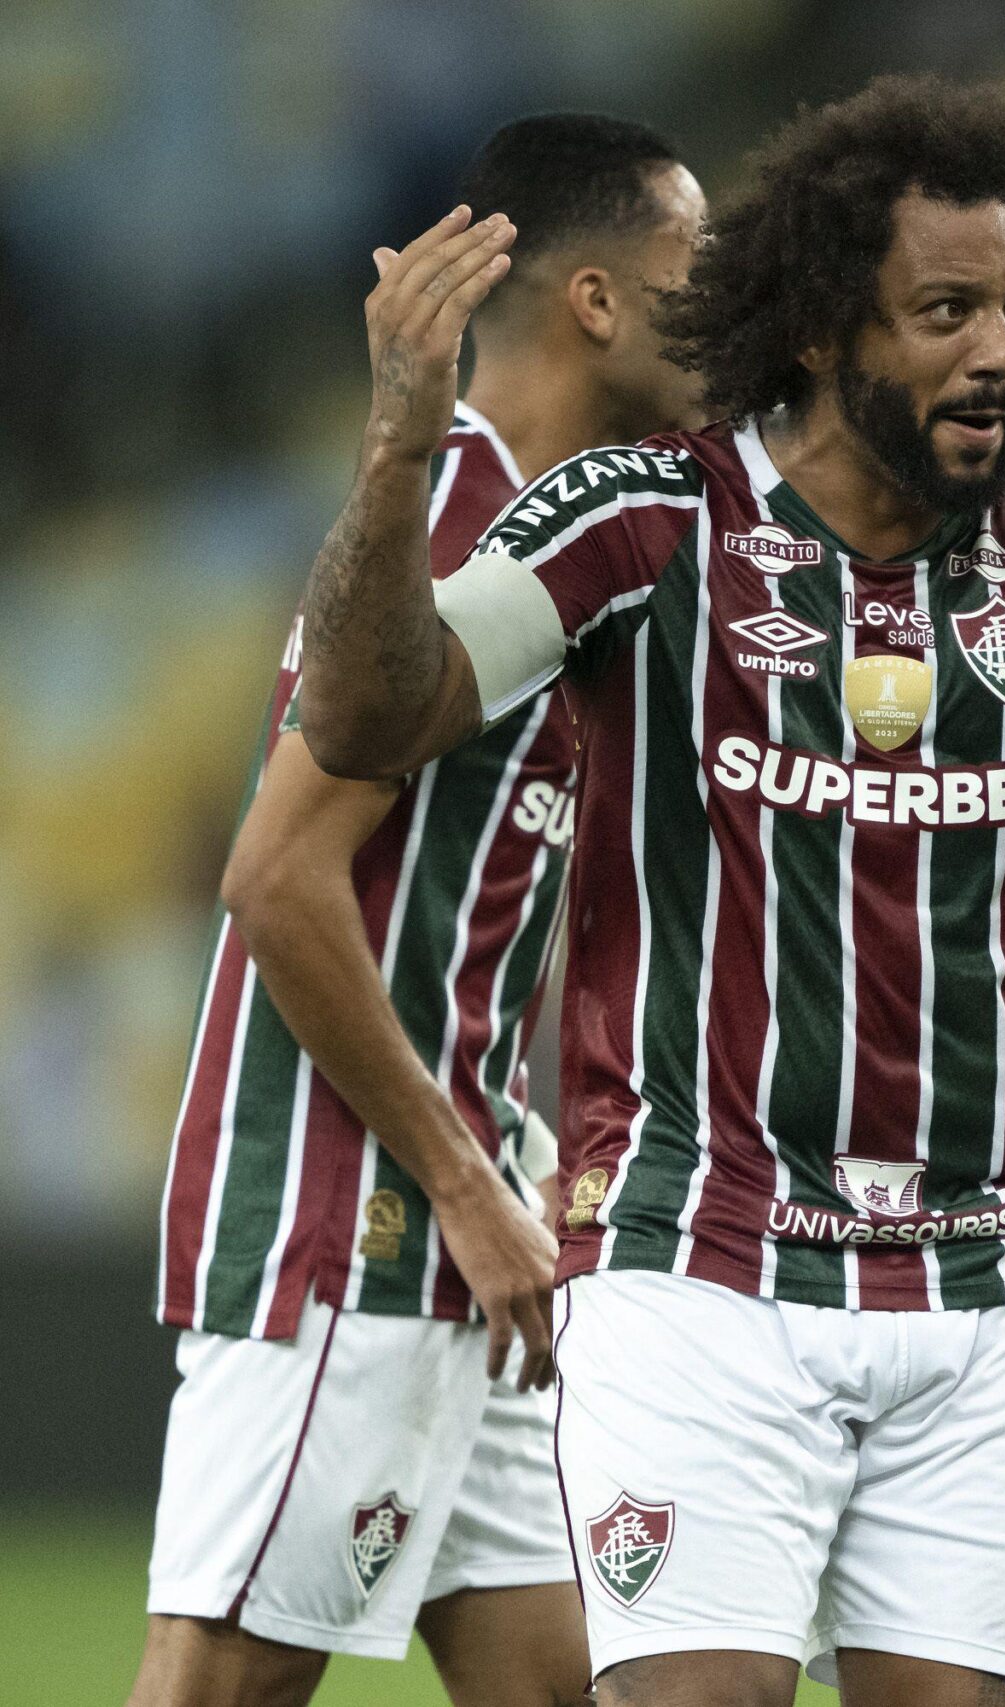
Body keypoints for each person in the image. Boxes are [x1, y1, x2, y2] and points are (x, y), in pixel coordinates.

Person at [289, 74, 1005, 1707]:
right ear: (834, 326)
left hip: (992, 1278)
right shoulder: (647, 523)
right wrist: (401, 446)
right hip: (701, 1264)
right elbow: (359, 714)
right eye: (949, 309)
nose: (1002, 351)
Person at [135, 114, 706, 1707]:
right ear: (595, 299)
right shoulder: (460, 513)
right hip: (357, 1211)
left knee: (568, 1681)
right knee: (220, 1688)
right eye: (692, 271)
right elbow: (276, 879)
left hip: (471, 1216)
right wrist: (460, 1178)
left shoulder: (555, 520)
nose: (719, 310)